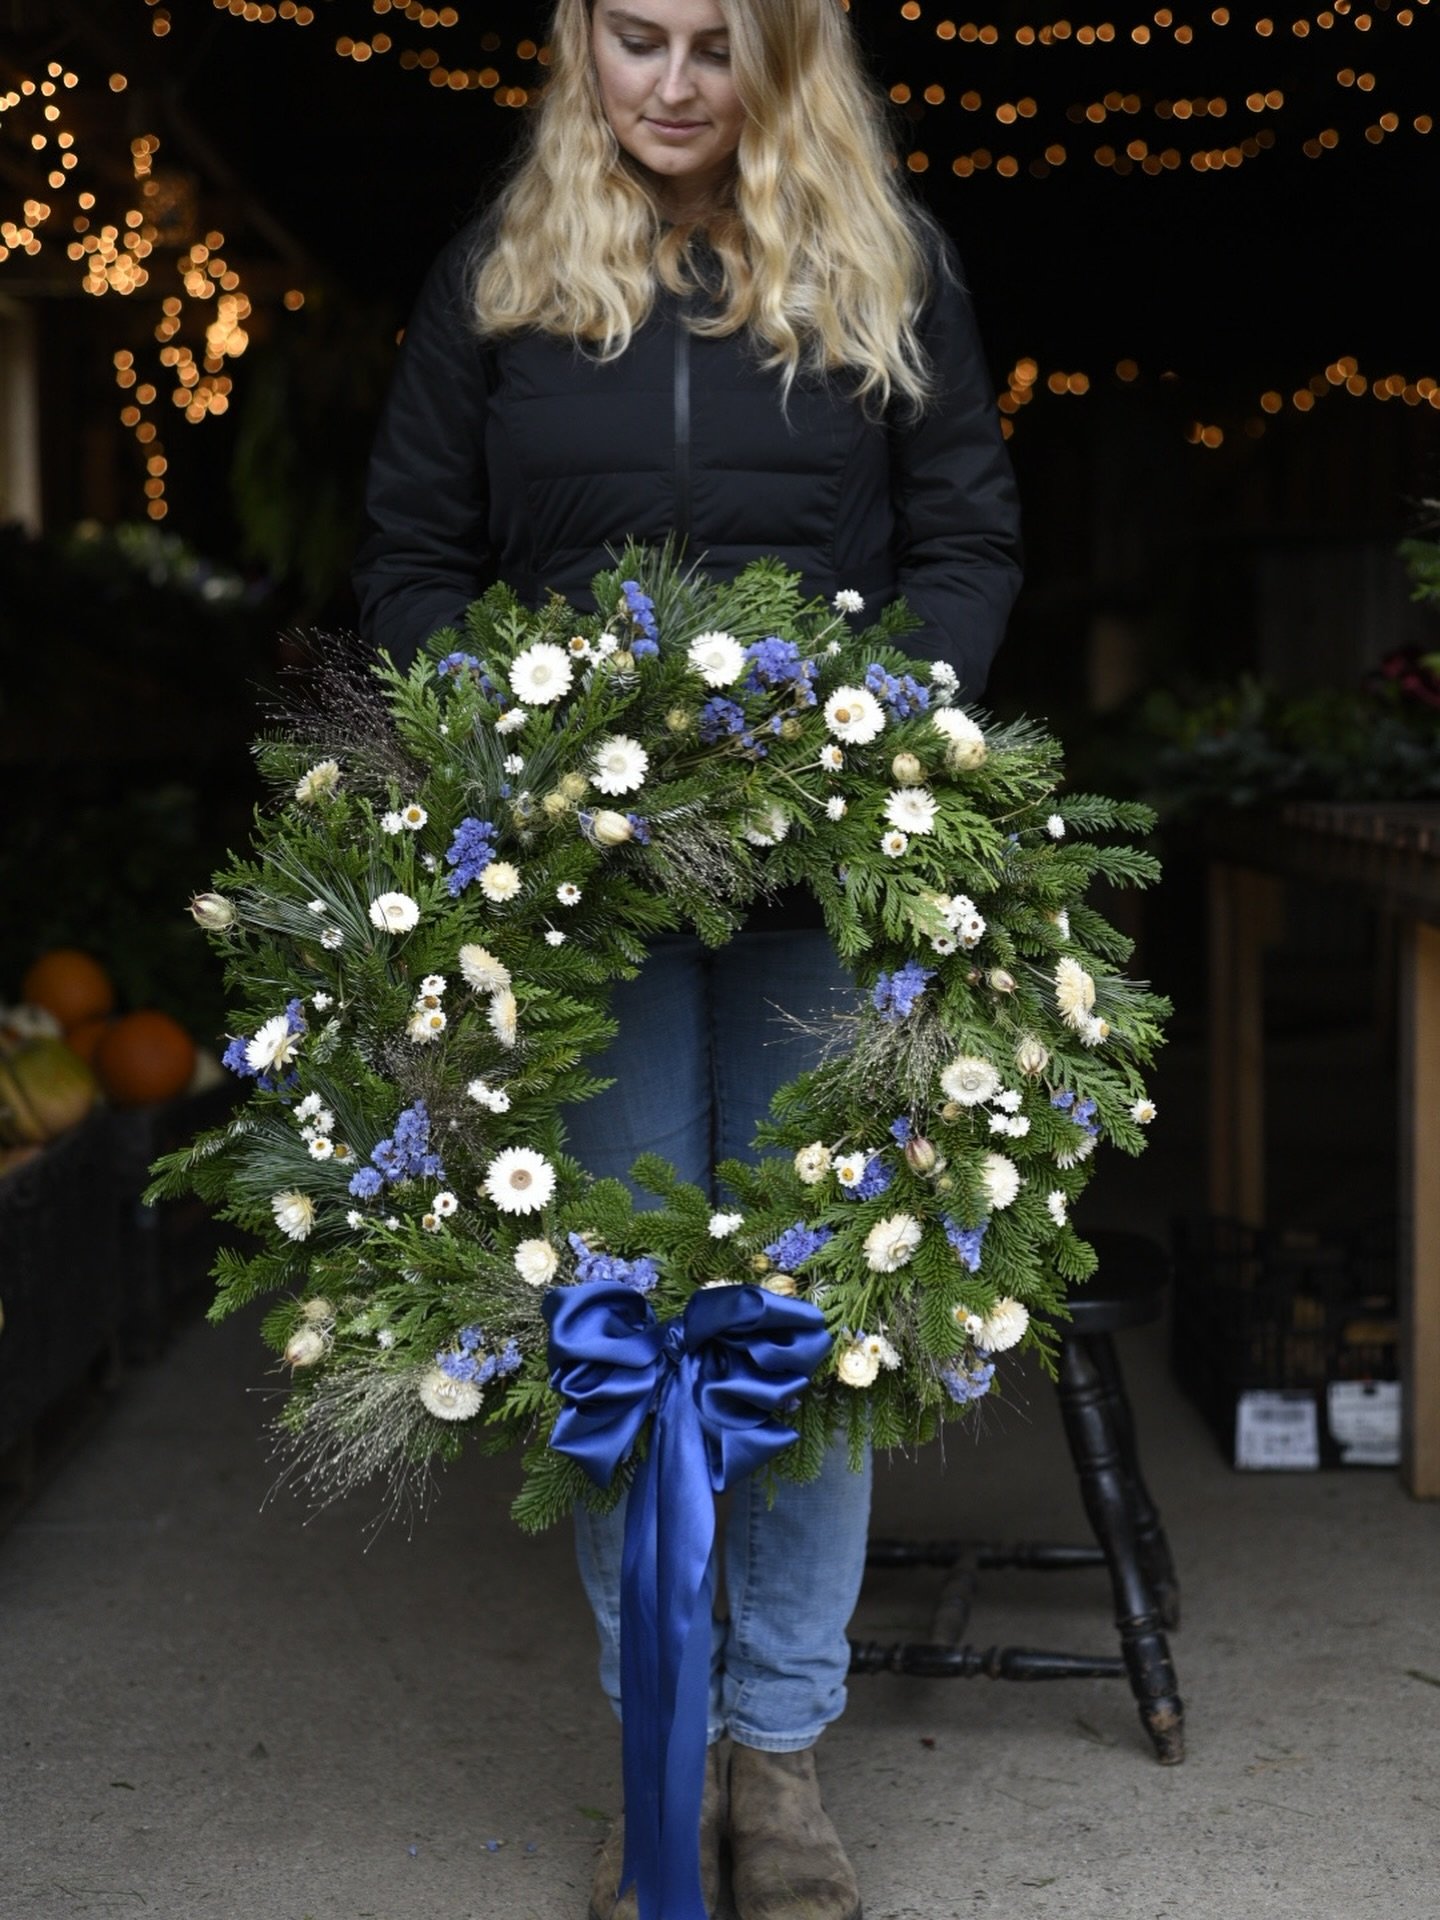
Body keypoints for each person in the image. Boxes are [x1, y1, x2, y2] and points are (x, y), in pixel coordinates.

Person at [353, 3, 1022, 1914]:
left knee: (801, 1312)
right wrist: (509, 737)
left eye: (713, 44)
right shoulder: (499, 269)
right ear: (580, 48)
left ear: (782, 61)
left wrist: (873, 732)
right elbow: (411, 554)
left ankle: (782, 1764)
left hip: (827, 885)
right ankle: (662, 1749)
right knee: (623, 1318)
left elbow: (966, 540)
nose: (668, 82)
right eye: (632, 38)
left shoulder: (886, 262)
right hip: (583, 904)